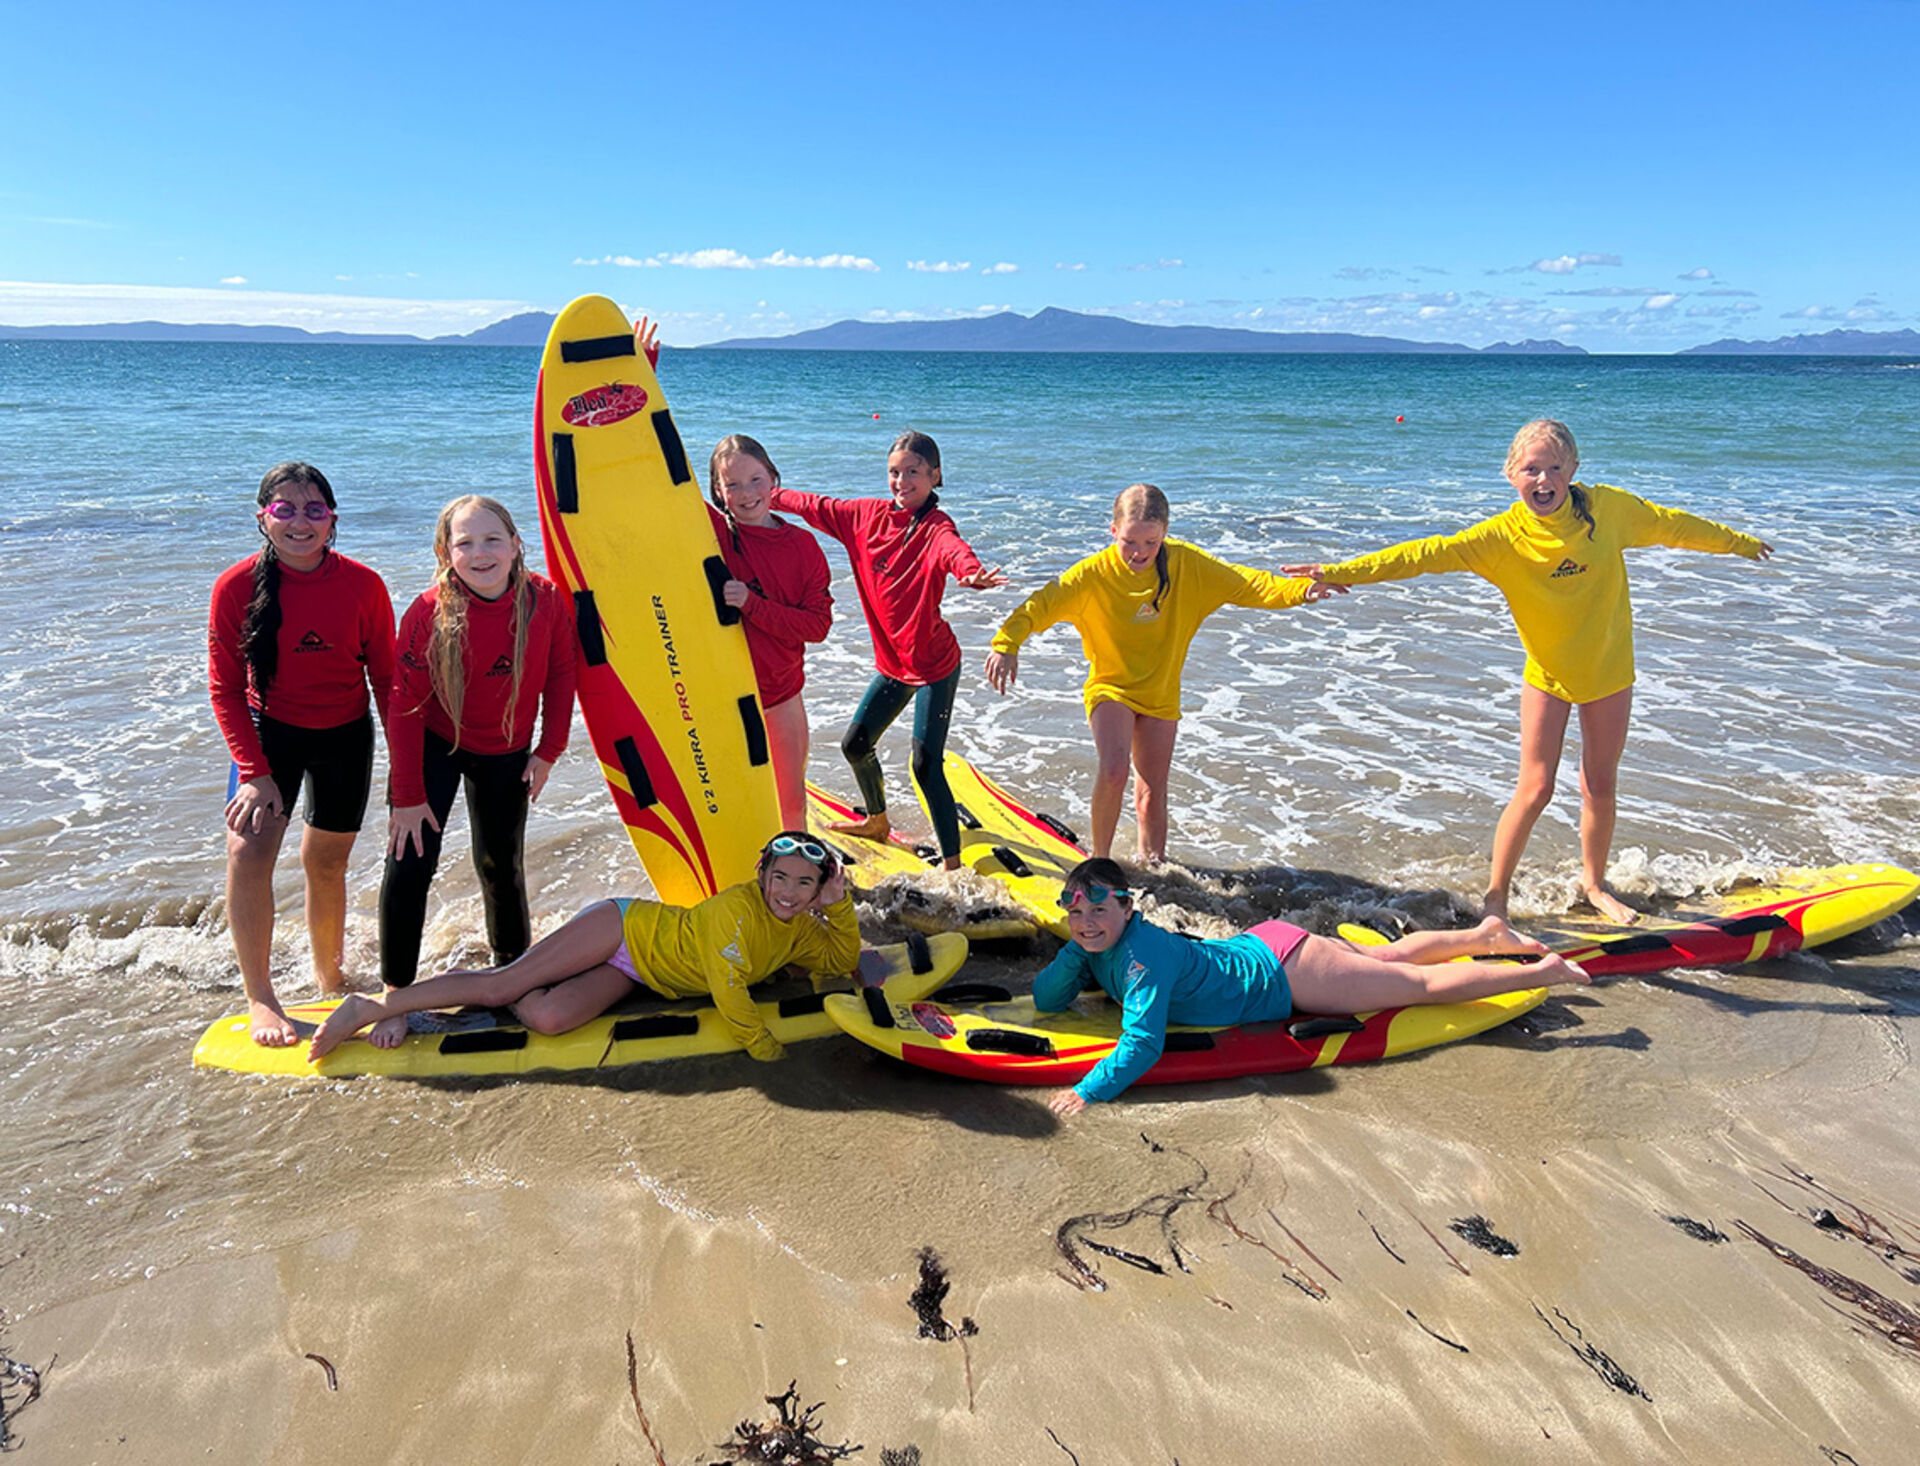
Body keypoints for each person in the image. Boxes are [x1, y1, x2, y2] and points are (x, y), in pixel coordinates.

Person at [1285, 420, 1772, 927]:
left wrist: (1735, 542)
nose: (1544, 480)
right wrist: (1342, 570)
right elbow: (1424, 555)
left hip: (1608, 671)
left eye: (1555, 468)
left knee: (1598, 784)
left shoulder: (1608, 511)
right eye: (1531, 469)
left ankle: (1595, 884)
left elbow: (1671, 524)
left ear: (1574, 471)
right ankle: (1496, 899)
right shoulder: (1500, 539)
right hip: (1547, 676)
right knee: (1535, 787)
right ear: (1511, 475)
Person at [1036, 858, 1587, 1114]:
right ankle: (1484, 934)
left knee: (1415, 984)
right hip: (1268, 944)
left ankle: (1540, 972)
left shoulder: (1140, 958)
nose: (1085, 919)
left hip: (1287, 973)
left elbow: (1143, 1043)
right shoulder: (1096, 943)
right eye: (1074, 909)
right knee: (1388, 955)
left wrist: (1087, 1091)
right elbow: (1045, 998)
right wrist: (1074, 949)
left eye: (1099, 908)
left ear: (1128, 908)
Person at [984, 483, 1344, 864]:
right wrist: (1006, 644)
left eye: (1151, 543)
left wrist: (1300, 591)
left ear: (1164, 535)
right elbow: (1039, 605)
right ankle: (1099, 864)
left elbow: (1248, 584)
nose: (1139, 553)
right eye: (1129, 542)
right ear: (1113, 532)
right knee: (1114, 769)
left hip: (1160, 693)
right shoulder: (1091, 576)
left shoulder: (1187, 565)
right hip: (1111, 688)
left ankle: (1153, 869)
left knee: (1152, 790)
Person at [308, 833, 857, 1061]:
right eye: (780, 877)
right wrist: (767, 1049)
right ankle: (375, 1005)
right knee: (503, 984)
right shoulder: (736, 911)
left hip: (642, 972)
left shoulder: (804, 925)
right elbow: (727, 989)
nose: (788, 892)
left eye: (805, 884)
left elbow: (840, 960)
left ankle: (522, 979)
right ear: (761, 873)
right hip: (623, 929)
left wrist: (839, 905)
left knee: (546, 1016)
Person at [208, 462, 395, 1047]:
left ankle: (328, 976)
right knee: (250, 849)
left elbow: (388, 684)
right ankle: (261, 997)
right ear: (263, 519)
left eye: (314, 509)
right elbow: (225, 689)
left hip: (345, 733)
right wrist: (255, 775)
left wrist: (410, 774)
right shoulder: (236, 587)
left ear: (332, 519)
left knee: (327, 861)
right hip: (270, 732)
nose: (300, 521)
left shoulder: (363, 584)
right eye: (284, 508)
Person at [379, 495, 577, 1044]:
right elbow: (403, 705)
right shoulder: (428, 612)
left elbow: (563, 673)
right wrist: (409, 794)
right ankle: (396, 994)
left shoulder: (547, 602)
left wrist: (548, 750)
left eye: (493, 540)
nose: (480, 552)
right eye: (465, 543)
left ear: (517, 546)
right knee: (410, 862)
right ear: (446, 553)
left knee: (499, 863)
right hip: (435, 745)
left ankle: (512, 978)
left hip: (506, 750)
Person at [768, 431, 1006, 868]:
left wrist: (971, 574)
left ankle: (952, 867)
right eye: (894, 472)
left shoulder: (936, 528)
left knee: (925, 764)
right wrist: (767, 494)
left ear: (935, 476)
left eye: (913, 472)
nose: (901, 481)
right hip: (894, 665)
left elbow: (955, 551)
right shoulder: (864, 516)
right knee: (856, 744)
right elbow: (814, 505)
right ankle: (877, 820)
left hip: (934, 665)